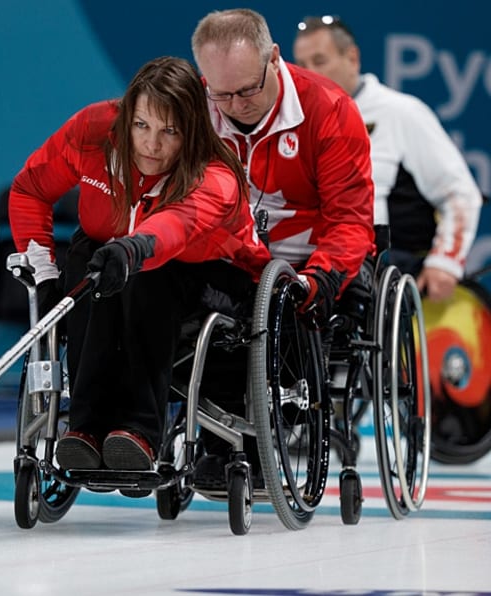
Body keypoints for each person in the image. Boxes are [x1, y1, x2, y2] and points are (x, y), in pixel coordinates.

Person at [7, 56, 271, 489]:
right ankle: (85, 428)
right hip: (122, 260)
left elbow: (177, 226)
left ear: (191, 133)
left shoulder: (215, 173)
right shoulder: (94, 132)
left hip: (216, 276)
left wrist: (133, 250)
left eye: (170, 131)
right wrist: (45, 274)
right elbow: (30, 188)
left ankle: (140, 432)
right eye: (142, 126)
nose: (152, 144)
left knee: (148, 271)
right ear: (126, 119)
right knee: (84, 257)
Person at [190, 8, 375, 488]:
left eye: (248, 89)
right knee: (198, 310)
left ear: (274, 59)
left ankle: (261, 444)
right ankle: (214, 442)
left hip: (308, 259)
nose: (237, 104)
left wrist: (324, 276)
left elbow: (350, 219)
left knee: (284, 312)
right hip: (232, 255)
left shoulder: (330, 109)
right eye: (223, 93)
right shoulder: (197, 111)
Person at [293, 16, 483, 302]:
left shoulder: (401, 113)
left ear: (352, 58)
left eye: (320, 61)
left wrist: (445, 262)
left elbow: (460, 194)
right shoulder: (295, 120)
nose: (310, 74)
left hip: (380, 273)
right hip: (315, 268)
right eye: (302, 65)